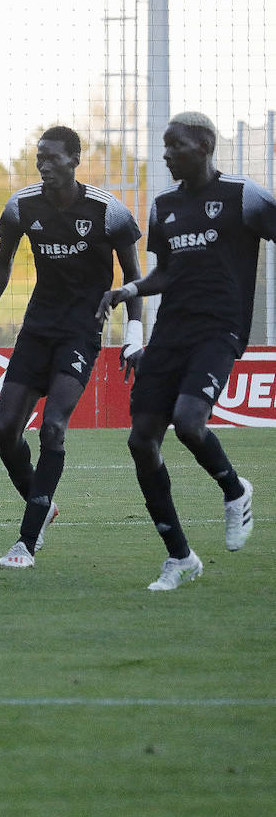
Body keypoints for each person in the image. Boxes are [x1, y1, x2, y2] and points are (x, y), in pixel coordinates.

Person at [97, 111, 276, 591]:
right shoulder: (163, 206)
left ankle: (236, 491)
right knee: (141, 442)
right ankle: (180, 558)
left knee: (190, 421)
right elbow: (166, 274)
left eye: (174, 144)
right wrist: (128, 290)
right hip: (171, 333)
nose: (166, 153)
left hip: (218, 330)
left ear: (203, 144)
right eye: (164, 145)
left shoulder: (244, 196)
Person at [0, 125, 144, 570]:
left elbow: (133, 277)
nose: (43, 164)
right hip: (36, 330)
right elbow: (3, 261)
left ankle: (25, 543)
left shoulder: (109, 212)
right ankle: (42, 503)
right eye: (39, 157)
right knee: (4, 429)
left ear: (74, 159)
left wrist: (134, 336)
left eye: (52, 157)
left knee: (53, 426)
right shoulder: (22, 205)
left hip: (81, 333)